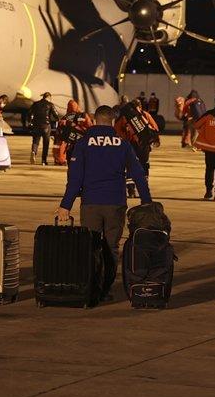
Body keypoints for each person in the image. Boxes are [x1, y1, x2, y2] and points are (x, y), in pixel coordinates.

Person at [57, 105, 152, 300]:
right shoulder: (123, 144)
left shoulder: (83, 143)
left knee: (90, 247)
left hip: (91, 203)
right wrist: (146, 201)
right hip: (115, 203)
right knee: (111, 248)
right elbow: (138, 174)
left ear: (94, 120)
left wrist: (66, 205)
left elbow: (75, 179)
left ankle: (91, 287)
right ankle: (105, 289)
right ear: (111, 121)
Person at [115, 97, 161, 178]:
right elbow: (155, 128)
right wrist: (156, 140)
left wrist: (123, 139)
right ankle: (144, 179)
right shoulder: (145, 115)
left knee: (130, 162)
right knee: (144, 162)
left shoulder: (125, 116)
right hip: (144, 143)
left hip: (130, 143)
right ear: (140, 106)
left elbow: (117, 130)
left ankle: (131, 184)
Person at [54, 100, 90, 166]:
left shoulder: (65, 117)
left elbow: (60, 139)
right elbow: (90, 127)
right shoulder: (84, 115)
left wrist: (59, 159)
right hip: (81, 142)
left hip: (70, 144)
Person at [28, 91, 58, 165]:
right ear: (49, 97)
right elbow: (55, 115)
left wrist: (30, 122)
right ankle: (44, 161)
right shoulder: (50, 105)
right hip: (46, 126)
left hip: (36, 125)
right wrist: (56, 120)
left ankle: (34, 152)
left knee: (35, 141)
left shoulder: (35, 104)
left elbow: (29, 113)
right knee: (46, 143)